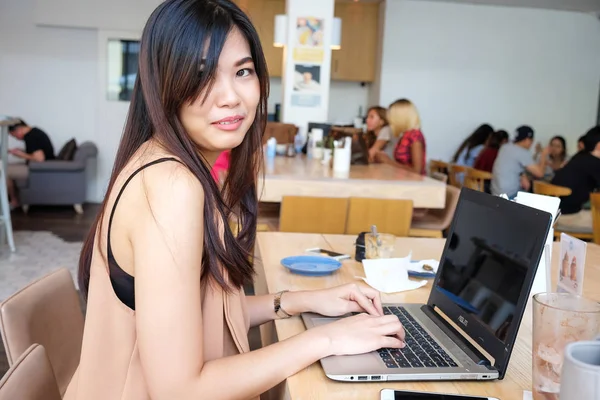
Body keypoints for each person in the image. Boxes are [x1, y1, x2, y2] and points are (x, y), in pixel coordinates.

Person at [65, 2, 405, 399]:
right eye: (201, 75)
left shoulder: (164, 161)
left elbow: (206, 315)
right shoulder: (171, 185)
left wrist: (300, 301)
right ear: (163, 85)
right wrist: (327, 341)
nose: (230, 97)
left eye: (243, 71)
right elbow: (180, 391)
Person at [551, 127, 600, 231]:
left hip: (553, 213)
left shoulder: (579, 156)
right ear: (599, 145)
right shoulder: (595, 163)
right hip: (568, 216)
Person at [6, 120, 55, 209]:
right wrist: (20, 151)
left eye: (13, 135)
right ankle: (14, 199)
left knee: (5, 170)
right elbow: (36, 152)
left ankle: (14, 201)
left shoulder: (31, 137)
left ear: (18, 130)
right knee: (9, 166)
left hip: (39, 169)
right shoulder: (35, 132)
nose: (16, 138)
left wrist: (21, 155)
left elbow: (40, 158)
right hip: (39, 167)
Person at [490, 125, 548, 198]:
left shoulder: (505, 147)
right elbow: (540, 174)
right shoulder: (522, 152)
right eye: (532, 141)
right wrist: (544, 154)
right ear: (527, 140)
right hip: (509, 195)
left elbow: (512, 165)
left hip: (495, 192)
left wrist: (522, 175)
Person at [374, 99, 426, 175]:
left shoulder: (415, 136)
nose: (390, 120)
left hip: (413, 185)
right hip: (402, 181)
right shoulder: (405, 136)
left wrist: (388, 161)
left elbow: (416, 172)